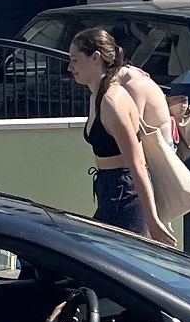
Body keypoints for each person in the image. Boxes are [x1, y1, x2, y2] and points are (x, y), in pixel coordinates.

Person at [67, 27, 177, 245]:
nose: (70, 67)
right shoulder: (97, 95)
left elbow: (137, 163)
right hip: (111, 188)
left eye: (75, 60)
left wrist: (152, 220)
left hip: (125, 192)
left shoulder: (112, 101)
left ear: (95, 58)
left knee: (119, 265)